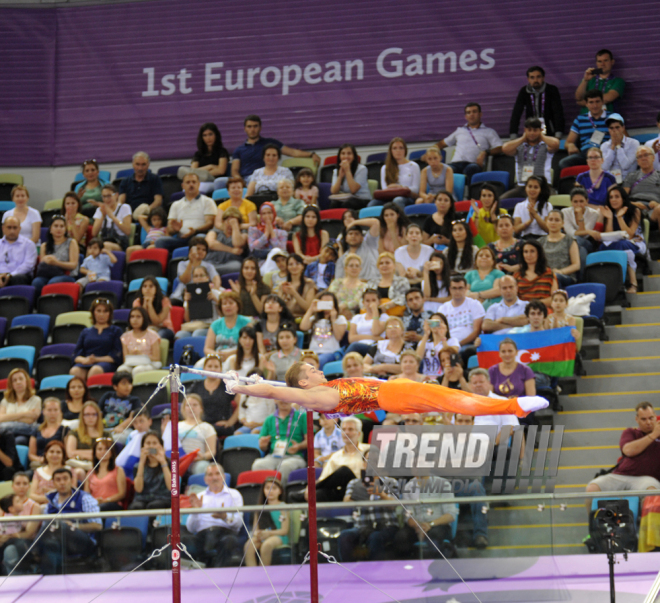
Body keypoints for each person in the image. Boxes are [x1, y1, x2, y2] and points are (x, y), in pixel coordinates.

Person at [227, 363, 548, 423]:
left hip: (391, 394)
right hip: (390, 397)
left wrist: (250, 381)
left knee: (450, 400)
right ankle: (514, 406)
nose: (319, 370)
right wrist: (239, 386)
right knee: (454, 400)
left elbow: (276, 388)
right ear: (304, 383)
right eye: (312, 371)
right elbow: (275, 392)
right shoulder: (319, 397)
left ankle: (511, 406)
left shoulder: (318, 392)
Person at [585, 402, 660, 509]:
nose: (648, 422)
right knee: (592, 488)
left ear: (655, 417)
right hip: (620, 475)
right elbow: (628, 450)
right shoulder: (631, 432)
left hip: (646, 479)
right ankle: (594, 524)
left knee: (651, 492)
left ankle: (648, 526)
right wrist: (653, 435)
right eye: (643, 419)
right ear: (637, 419)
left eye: (651, 418)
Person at [39, 468, 101, 575]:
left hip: (83, 542)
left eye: (65, 479)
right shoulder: (50, 503)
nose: (62, 482)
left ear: (72, 480)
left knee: (56, 523)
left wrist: (74, 526)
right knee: (50, 546)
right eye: (58, 480)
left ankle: (32, 552)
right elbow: (45, 528)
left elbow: (98, 526)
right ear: (53, 483)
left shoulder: (84, 498)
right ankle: (51, 584)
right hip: (59, 543)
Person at [185, 464, 244, 568]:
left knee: (229, 541)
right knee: (183, 542)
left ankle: (217, 576)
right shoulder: (199, 497)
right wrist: (195, 511)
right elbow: (190, 528)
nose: (214, 478)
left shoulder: (234, 494)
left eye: (218, 474)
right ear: (205, 479)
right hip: (203, 534)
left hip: (225, 532)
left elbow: (239, 523)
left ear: (224, 477)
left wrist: (225, 517)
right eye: (210, 475)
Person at [232, 115, 320, 180]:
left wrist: (311, 154)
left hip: (267, 176)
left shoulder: (270, 144)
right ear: (245, 129)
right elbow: (235, 170)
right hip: (247, 179)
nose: (252, 129)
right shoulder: (239, 150)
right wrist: (239, 180)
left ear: (260, 128)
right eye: (249, 127)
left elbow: (292, 152)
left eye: (255, 126)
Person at [436, 102, 503, 185]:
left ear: (480, 114)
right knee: (447, 170)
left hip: (473, 164)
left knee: (470, 169)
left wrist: (486, 152)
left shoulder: (489, 132)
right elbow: (440, 144)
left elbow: (500, 148)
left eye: (474, 112)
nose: (471, 114)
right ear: (465, 116)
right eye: (468, 112)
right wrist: (430, 153)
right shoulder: (459, 131)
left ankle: (469, 196)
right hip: (456, 164)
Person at [396, 474, 458, 558]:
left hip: (438, 525)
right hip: (417, 526)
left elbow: (450, 515)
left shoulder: (443, 484)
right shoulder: (408, 486)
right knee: (401, 537)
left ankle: (436, 568)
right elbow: (408, 516)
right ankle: (408, 568)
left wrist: (430, 524)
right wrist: (418, 526)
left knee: (434, 537)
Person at [600, 185, 646, 293]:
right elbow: (608, 236)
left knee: (623, 245)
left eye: (617, 196)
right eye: (611, 197)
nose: (613, 200)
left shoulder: (635, 211)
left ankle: (633, 284)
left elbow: (630, 235)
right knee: (603, 247)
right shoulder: (609, 211)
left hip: (636, 242)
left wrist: (620, 218)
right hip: (618, 242)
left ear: (623, 198)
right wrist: (610, 218)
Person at [156, 173, 217, 253]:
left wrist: (195, 231)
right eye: (188, 182)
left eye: (194, 182)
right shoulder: (176, 204)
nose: (191, 185)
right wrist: (175, 230)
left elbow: (210, 223)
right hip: (180, 238)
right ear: (183, 186)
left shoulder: (208, 201)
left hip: (198, 235)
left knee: (199, 238)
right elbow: (170, 229)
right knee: (160, 241)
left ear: (198, 184)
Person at [251, 398, 307, 483]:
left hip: (294, 457)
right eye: (281, 398)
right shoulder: (269, 419)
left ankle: (281, 494)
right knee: (258, 465)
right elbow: (262, 447)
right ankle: (263, 495)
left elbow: (310, 441)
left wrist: (299, 446)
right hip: (273, 456)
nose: (284, 401)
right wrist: (263, 444)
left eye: (286, 398)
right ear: (275, 400)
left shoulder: (302, 416)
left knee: (285, 467)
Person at [501, 118, 560, 199]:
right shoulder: (519, 146)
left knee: (555, 200)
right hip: (522, 186)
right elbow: (505, 148)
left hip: (543, 185)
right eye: (529, 130)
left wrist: (541, 136)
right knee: (501, 201)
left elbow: (556, 144)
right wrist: (522, 138)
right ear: (525, 130)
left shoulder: (546, 145)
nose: (532, 133)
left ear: (540, 130)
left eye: (535, 130)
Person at [70, 298, 123, 380]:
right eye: (98, 311)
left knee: (95, 370)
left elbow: (116, 355)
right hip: (87, 362)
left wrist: (96, 359)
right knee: (75, 371)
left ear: (110, 313)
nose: (102, 314)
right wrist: (84, 360)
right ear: (93, 312)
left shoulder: (116, 331)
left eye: (105, 311)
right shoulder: (86, 331)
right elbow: (76, 354)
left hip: (106, 363)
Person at [186, 355, 237, 439]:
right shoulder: (196, 386)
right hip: (200, 425)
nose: (213, 369)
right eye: (209, 366)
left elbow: (241, 405)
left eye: (216, 366)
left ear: (221, 370)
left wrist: (230, 422)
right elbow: (186, 404)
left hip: (221, 427)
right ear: (204, 369)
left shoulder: (228, 386)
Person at [438, 275, 485, 364]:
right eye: (454, 288)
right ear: (450, 289)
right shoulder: (443, 308)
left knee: (460, 353)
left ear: (466, 288)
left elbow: (476, 331)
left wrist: (458, 344)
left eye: (460, 288)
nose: (457, 291)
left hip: (467, 344)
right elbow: (438, 331)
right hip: (446, 344)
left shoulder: (475, 304)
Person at [509, 66, 565, 139]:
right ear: (528, 79)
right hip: (531, 129)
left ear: (543, 78)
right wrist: (513, 135)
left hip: (549, 129)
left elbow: (558, 112)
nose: (535, 80)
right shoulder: (524, 91)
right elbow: (516, 113)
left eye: (538, 77)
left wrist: (558, 133)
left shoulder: (552, 90)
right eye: (532, 77)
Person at [0, 472, 40, 575]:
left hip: (25, 542)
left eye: (25, 483)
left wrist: (9, 536)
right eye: (18, 483)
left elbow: (28, 533)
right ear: (12, 486)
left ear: (29, 486)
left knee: (10, 550)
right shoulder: (3, 504)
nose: (21, 487)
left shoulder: (35, 507)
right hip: (3, 540)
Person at [244, 477, 289, 566]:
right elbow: (255, 530)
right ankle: (252, 573)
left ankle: (263, 575)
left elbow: (284, 531)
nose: (270, 491)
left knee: (266, 545)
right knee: (249, 544)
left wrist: (268, 533)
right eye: (267, 488)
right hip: (263, 536)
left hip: (279, 536)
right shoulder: (260, 507)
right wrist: (258, 534)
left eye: (274, 488)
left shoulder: (283, 507)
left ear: (280, 491)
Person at [560, 89, 610, 170]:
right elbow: (568, 142)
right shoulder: (580, 119)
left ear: (602, 102)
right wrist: (570, 145)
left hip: (605, 153)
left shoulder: (612, 118)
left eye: (597, 101)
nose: (595, 105)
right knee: (564, 163)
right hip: (586, 154)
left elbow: (624, 139)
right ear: (586, 104)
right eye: (591, 102)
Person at [31, 216, 78, 295]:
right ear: (50, 229)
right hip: (47, 274)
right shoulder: (44, 245)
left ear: (65, 229)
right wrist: (46, 260)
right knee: (36, 282)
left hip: (67, 275)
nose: (59, 229)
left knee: (53, 282)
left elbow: (73, 265)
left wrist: (56, 262)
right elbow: (42, 265)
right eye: (56, 226)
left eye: (62, 226)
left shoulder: (71, 242)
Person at [370, 137, 420, 209]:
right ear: (391, 151)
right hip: (389, 197)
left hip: (407, 197)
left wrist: (400, 188)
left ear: (405, 150)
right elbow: (384, 188)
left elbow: (415, 189)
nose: (398, 151)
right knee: (373, 203)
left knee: (398, 200)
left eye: (401, 148)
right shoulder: (385, 168)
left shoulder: (414, 166)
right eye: (395, 148)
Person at [300, 291, 347, 368]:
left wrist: (333, 319)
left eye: (329, 302)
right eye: (324, 302)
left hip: (331, 352)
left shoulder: (340, 319)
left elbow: (339, 337)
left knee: (318, 361)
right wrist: (311, 309)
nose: (326, 304)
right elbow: (303, 327)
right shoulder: (314, 319)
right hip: (313, 352)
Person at [202, 291, 253, 361]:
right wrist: (216, 355)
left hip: (239, 356)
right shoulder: (215, 324)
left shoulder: (247, 322)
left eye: (231, 303)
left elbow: (250, 346)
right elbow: (207, 348)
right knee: (199, 364)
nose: (228, 306)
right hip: (217, 357)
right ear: (221, 307)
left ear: (237, 305)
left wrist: (229, 354)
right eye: (224, 304)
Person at [171, 236, 222, 302]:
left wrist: (216, 288)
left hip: (202, 295)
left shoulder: (209, 266)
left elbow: (216, 278)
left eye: (204, 250)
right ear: (191, 250)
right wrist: (191, 262)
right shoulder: (182, 264)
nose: (201, 251)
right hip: (182, 296)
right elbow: (184, 280)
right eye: (198, 249)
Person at [538, 210, 581, 287]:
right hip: (544, 276)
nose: (553, 223)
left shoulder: (569, 240)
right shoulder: (540, 242)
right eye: (550, 220)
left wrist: (560, 272)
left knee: (554, 277)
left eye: (557, 220)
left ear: (562, 223)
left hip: (565, 276)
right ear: (546, 222)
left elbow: (576, 265)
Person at [575, 49, 625, 114]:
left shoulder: (618, 81)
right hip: (586, 120)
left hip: (608, 120)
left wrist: (583, 102)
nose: (602, 64)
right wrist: (585, 80)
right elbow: (578, 98)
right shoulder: (589, 80)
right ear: (596, 63)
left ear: (612, 62)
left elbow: (608, 98)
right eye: (599, 61)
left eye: (605, 60)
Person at [97, 371, 142, 443]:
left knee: (115, 440)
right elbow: (98, 412)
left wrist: (120, 427)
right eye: (124, 383)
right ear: (115, 386)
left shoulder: (135, 400)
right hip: (104, 428)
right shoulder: (107, 395)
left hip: (124, 429)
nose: (128, 387)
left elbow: (132, 418)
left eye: (130, 383)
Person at [130, 431, 171, 510]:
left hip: (163, 498)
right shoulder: (137, 466)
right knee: (136, 507)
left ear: (161, 446)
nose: (151, 446)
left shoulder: (169, 464)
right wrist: (141, 463)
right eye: (148, 443)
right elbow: (138, 489)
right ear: (143, 446)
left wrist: (163, 462)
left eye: (154, 443)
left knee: (154, 506)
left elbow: (171, 487)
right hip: (142, 499)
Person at [0, 369, 42, 445]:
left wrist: (9, 419)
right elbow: (1, 418)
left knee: (18, 440)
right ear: (11, 384)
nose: (18, 382)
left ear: (26, 381)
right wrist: (25, 414)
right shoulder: (5, 400)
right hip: (6, 433)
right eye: (14, 380)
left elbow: (30, 420)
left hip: (25, 433)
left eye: (21, 379)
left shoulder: (36, 400)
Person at [561, 187, 603, 263]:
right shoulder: (564, 212)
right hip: (572, 242)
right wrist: (589, 231)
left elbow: (583, 236)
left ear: (587, 201)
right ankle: (581, 274)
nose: (578, 204)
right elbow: (570, 232)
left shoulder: (593, 214)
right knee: (582, 251)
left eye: (581, 201)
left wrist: (580, 215)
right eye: (575, 202)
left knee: (578, 240)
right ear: (571, 202)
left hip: (586, 242)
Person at [85, 436, 127, 512]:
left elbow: (122, 494)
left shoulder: (118, 470)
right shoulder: (90, 472)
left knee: (99, 508)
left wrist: (106, 500)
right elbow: (86, 495)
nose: (103, 452)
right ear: (95, 453)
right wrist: (94, 501)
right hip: (94, 504)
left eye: (107, 449)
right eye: (100, 449)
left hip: (112, 504)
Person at [118, 151, 164, 219]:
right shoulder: (125, 181)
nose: (140, 168)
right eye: (137, 164)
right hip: (130, 216)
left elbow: (158, 201)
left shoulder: (155, 179)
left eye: (143, 164)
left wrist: (146, 211)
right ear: (133, 164)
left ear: (148, 165)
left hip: (149, 215)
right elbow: (121, 201)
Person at [179, 394, 217, 475]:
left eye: (195, 405)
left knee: (202, 467)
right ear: (183, 408)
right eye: (188, 405)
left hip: (197, 462)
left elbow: (211, 451)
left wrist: (202, 457)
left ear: (201, 408)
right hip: (178, 461)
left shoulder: (207, 427)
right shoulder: (176, 426)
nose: (191, 408)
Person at [65, 401, 107, 471]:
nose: (90, 417)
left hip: (101, 465)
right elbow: (70, 453)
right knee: (79, 472)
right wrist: (96, 454)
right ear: (82, 416)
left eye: (94, 414)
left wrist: (79, 453)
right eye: (87, 414)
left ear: (98, 416)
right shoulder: (74, 433)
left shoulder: (105, 434)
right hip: (79, 466)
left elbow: (108, 454)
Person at [416, 313, 460, 378]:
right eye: (432, 323)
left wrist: (443, 337)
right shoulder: (424, 342)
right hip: (426, 377)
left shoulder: (452, 341)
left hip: (445, 376)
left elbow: (451, 358)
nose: (435, 325)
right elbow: (417, 358)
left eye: (438, 322)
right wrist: (426, 334)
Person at [366, 251, 410, 316]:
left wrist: (387, 305)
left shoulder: (402, 281)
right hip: (374, 315)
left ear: (394, 266)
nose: (384, 265)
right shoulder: (371, 283)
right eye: (381, 263)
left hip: (396, 316)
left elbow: (405, 297)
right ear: (378, 267)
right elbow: (364, 299)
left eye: (387, 263)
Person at [28, 398, 67, 469]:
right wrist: (41, 459)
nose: (52, 413)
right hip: (40, 464)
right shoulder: (36, 430)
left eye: (55, 410)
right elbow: (31, 454)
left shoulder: (65, 430)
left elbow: (66, 453)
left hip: (58, 465)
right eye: (49, 410)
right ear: (43, 411)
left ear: (60, 411)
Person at [515, 240, 557, 305]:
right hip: (522, 311)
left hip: (544, 310)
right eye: (526, 252)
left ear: (539, 253)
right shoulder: (517, 275)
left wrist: (532, 304)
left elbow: (554, 298)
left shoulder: (549, 273)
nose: (529, 255)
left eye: (532, 251)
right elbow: (513, 299)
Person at [344, 289, 385, 357]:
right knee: (354, 346)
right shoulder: (357, 318)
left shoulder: (384, 317)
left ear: (379, 302)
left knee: (354, 346)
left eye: (374, 300)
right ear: (363, 303)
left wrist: (375, 311)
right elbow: (351, 338)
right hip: (358, 346)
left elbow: (375, 331)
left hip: (373, 347)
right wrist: (373, 337)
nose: (371, 303)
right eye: (367, 301)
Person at [623, 147, 660, 222]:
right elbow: (622, 198)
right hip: (633, 207)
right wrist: (633, 204)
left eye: (646, 155)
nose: (643, 158)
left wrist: (657, 204)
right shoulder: (631, 176)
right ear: (637, 161)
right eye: (640, 156)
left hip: (654, 209)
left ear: (653, 158)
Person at [273, 253, 316, 318]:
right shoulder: (283, 285)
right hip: (286, 319)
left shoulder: (309, 284)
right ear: (287, 267)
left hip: (303, 319)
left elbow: (308, 308)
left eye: (297, 264)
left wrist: (294, 293)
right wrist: (282, 294)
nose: (294, 267)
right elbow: (278, 307)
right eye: (290, 264)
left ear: (302, 266)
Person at [132, 276, 175, 341]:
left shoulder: (165, 301)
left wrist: (150, 305)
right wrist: (144, 305)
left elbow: (157, 322)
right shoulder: (137, 302)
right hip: (146, 329)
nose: (147, 289)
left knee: (156, 336)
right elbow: (141, 322)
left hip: (164, 329)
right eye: (144, 286)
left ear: (156, 288)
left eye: (151, 286)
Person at [600, 113, 640, 183]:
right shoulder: (604, 146)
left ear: (623, 128)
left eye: (617, 127)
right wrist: (612, 146)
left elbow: (625, 166)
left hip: (629, 181)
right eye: (611, 128)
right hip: (611, 181)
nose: (614, 130)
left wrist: (618, 146)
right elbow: (604, 167)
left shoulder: (634, 143)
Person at [330, 143, 371, 209]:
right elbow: (334, 191)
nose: (346, 156)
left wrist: (347, 171)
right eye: (343, 154)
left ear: (354, 156)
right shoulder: (336, 171)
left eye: (349, 153)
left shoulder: (362, 169)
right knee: (333, 204)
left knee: (348, 204)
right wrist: (340, 176)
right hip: (346, 198)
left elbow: (353, 190)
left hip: (361, 199)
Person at [0, 216, 38, 287]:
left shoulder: (28, 244)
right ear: (3, 228)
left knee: (18, 278)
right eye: (9, 227)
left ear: (19, 229)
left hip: (19, 276)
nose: (12, 231)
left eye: (15, 228)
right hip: (1, 275)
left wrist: (9, 275)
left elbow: (28, 265)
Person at [328, 253, 367, 318]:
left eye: (357, 266)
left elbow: (357, 302)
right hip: (334, 313)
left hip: (354, 316)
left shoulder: (364, 286)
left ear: (360, 269)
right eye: (351, 265)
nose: (354, 268)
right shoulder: (337, 282)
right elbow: (330, 297)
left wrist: (344, 306)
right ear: (345, 268)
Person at [29, 440, 68, 505]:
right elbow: (32, 495)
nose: (55, 455)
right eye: (51, 452)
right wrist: (51, 496)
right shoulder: (39, 471)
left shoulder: (69, 471)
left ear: (63, 455)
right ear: (46, 454)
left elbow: (71, 494)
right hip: (40, 507)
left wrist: (48, 492)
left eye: (58, 452)